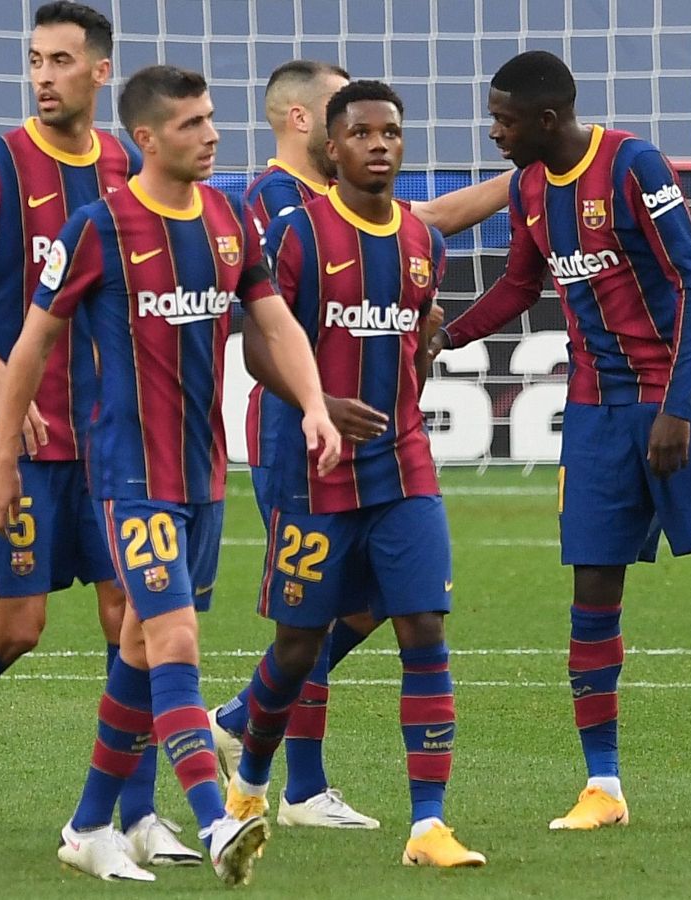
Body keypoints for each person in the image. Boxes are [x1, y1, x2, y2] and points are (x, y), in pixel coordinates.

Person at [432, 50, 691, 831]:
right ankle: (603, 788)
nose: (494, 133)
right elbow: (522, 283)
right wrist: (449, 334)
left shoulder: (631, 165)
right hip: (594, 414)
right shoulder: (525, 189)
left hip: (675, 401)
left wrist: (680, 408)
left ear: (546, 120)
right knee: (592, 595)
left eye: (504, 121)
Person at [0, 65, 339, 885]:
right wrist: (3, 455)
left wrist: (314, 404)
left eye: (211, 119)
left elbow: (273, 319)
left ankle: (85, 824)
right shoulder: (97, 228)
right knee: (174, 637)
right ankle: (216, 823)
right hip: (128, 475)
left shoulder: (228, 215)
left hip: (203, 475)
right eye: (191, 124)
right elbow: (30, 347)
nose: (211, 134)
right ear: (146, 138)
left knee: (141, 648)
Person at [0, 2, 197, 867]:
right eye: (35, 60)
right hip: (21, 435)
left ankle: (133, 816)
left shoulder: (127, 165)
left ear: (101, 72)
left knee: (128, 615)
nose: (44, 76)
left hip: (113, 442)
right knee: (17, 626)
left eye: (62, 60)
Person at [210, 58, 513, 830]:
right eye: (354, 124)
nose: (376, 142)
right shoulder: (282, 207)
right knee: (309, 622)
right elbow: (261, 333)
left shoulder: (388, 224)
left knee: (391, 606)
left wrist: (427, 341)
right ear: (312, 125)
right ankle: (288, 772)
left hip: (386, 444)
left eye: (388, 131)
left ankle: (366, 800)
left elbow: (418, 244)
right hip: (297, 443)